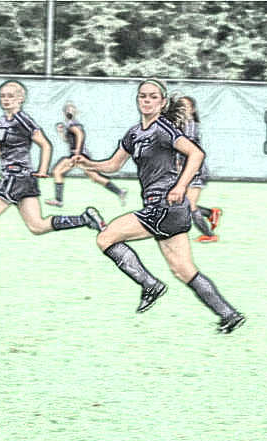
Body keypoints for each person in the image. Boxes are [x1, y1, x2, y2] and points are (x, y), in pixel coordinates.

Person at [73, 79, 245, 333]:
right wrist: (87, 163)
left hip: (164, 204)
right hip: (169, 210)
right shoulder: (134, 134)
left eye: (153, 96)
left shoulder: (163, 128)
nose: (147, 100)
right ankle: (229, 315)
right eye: (143, 96)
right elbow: (113, 165)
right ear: (137, 100)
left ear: (163, 102)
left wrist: (181, 186)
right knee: (183, 270)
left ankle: (150, 285)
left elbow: (196, 154)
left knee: (106, 237)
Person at [0, 80, 105, 279]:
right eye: (2, 96)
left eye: (11, 96)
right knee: (37, 226)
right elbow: (0, 150)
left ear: (21, 99)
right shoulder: (2, 121)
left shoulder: (22, 119)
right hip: (20, 180)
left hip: (16, 178)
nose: (6, 99)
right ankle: (85, 219)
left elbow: (45, 145)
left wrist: (42, 170)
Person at [164, 94, 223, 243]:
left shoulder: (190, 124)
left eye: (186, 106)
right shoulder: (179, 124)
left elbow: (184, 144)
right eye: (180, 105)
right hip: (186, 170)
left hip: (196, 170)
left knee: (189, 206)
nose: (183, 109)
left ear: (192, 109)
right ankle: (210, 213)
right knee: (181, 203)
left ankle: (209, 235)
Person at [47, 102, 128, 208]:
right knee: (95, 177)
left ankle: (58, 200)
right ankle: (119, 192)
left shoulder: (72, 124)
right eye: (68, 109)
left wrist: (77, 153)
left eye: (71, 109)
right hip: (80, 155)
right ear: (64, 112)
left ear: (75, 112)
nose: (69, 111)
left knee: (57, 171)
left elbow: (80, 135)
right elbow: (69, 140)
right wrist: (61, 132)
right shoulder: (70, 124)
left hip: (78, 155)